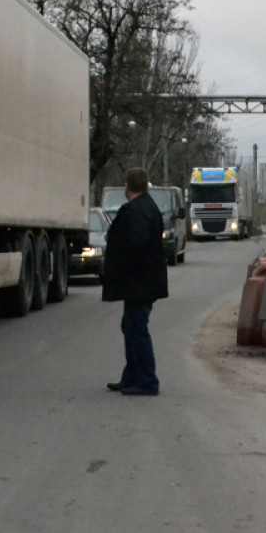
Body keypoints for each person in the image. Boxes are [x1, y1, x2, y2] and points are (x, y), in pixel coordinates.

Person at [102, 167, 169, 396]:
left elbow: (136, 245)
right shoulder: (146, 206)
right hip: (141, 282)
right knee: (130, 327)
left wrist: (121, 267)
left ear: (127, 186)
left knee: (137, 329)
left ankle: (147, 381)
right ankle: (131, 377)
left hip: (140, 283)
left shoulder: (139, 210)